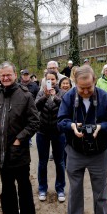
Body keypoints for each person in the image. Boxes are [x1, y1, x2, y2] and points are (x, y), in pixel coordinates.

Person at [57, 65, 107, 214]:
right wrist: (70, 126)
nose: (85, 92)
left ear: (95, 81)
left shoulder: (104, 97)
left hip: (99, 153)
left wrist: (101, 127)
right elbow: (60, 122)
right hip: (75, 151)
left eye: (88, 88)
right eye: (81, 88)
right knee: (75, 192)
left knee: (100, 194)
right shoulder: (69, 97)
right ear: (75, 82)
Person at [0, 61, 39, 214]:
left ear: (15, 75)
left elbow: (34, 122)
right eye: (3, 75)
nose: (6, 78)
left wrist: (19, 139)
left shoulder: (25, 95)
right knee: (7, 187)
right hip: (0, 151)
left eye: (9, 74)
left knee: (24, 188)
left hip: (19, 153)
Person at [35, 70, 67, 203]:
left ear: (56, 80)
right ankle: (42, 188)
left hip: (58, 132)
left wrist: (55, 97)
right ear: (45, 80)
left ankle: (60, 189)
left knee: (60, 162)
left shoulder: (63, 93)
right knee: (42, 162)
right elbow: (36, 107)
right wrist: (45, 96)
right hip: (42, 131)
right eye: (48, 79)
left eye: (53, 79)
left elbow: (65, 108)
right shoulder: (41, 92)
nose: (51, 82)